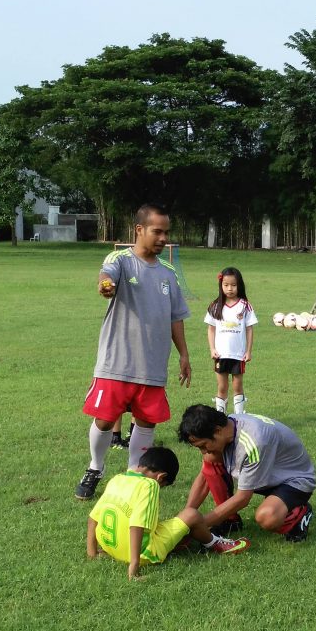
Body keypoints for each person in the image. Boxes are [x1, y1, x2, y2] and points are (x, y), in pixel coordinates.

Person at [75, 203, 192, 500]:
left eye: (166, 232)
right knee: (103, 419)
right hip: (117, 361)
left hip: (153, 365)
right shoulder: (121, 260)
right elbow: (107, 274)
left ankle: (132, 474)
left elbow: (175, 316)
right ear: (139, 230)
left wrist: (184, 355)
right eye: (157, 231)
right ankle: (95, 468)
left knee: (146, 421)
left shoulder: (168, 273)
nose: (163, 238)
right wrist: (106, 285)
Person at [87, 447, 250, 580]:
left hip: (109, 547)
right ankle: (215, 543)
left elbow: (93, 517)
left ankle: (183, 538)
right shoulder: (150, 485)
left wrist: (92, 553)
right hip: (143, 553)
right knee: (191, 514)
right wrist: (133, 567)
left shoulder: (118, 478)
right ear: (161, 477)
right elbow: (137, 525)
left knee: (170, 523)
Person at [178, 404, 316, 542]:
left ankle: (299, 513)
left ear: (218, 430)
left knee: (267, 517)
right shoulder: (229, 424)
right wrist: (182, 522)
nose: (203, 451)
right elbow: (204, 478)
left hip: (294, 480)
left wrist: (198, 525)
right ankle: (229, 521)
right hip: (269, 473)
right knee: (210, 458)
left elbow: (243, 498)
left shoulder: (255, 443)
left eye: (203, 445)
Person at [204, 267, 257, 415]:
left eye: (233, 285)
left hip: (238, 354)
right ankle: (220, 418)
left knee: (238, 386)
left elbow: (249, 329)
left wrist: (248, 351)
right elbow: (211, 329)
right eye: (226, 285)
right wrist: (212, 349)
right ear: (221, 285)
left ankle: (239, 418)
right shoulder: (215, 306)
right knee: (222, 387)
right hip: (221, 354)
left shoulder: (245, 305)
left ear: (239, 285)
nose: (229, 288)